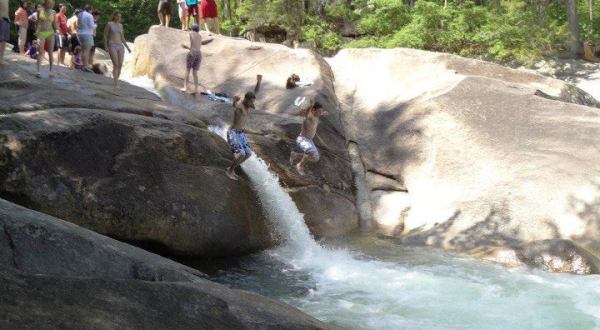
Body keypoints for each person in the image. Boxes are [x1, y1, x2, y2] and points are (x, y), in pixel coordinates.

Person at [225, 75, 262, 180]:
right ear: (246, 99)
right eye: (251, 102)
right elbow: (234, 106)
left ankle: (232, 168)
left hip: (240, 133)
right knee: (241, 153)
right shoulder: (241, 106)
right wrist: (234, 101)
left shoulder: (247, 105)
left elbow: (256, 92)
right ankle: (229, 171)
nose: (252, 104)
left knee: (248, 153)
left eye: (253, 102)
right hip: (232, 132)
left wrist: (259, 81)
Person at [289, 100, 328, 176]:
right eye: (319, 111)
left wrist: (323, 113)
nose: (320, 113)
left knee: (316, 158)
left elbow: (320, 114)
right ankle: (300, 165)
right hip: (302, 139)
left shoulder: (317, 116)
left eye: (321, 111)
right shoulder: (310, 117)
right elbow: (307, 113)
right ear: (313, 110)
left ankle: (295, 155)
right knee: (310, 151)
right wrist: (311, 105)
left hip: (309, 140)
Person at [104, 11, 131, 91]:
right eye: (117, 16)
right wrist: (106, 46)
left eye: (120, 17)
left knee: (120, 65)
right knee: (115, 64)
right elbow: (105, 35)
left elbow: (122, 38)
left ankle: (116, 81)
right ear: (114, 16)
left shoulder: (121, 26)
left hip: (120, 46)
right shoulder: (109, 24)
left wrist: (127, 47)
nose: (119, 18)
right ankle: (115, 84)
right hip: (112, 45)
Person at [35, 0, 57, 77]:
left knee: (50, 52)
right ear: (46, 3)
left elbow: (55, 24)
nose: (51, 5)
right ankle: (38, 71)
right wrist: (37, 33)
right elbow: (37, 22)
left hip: (50, 33)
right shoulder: (39, 10)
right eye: (50, 3)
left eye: (52, 3)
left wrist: (57, 31)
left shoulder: (53, 12)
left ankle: (51, 71)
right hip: (41, 32)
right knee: (40, 51)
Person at [181, 23, 201, 95]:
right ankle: (196, 89)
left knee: (187, 70)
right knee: (195, 73)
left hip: (192, 53)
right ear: (198, 30)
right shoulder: (200, 36)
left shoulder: (191, 33)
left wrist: (185, 46)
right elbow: (197, 46)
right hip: (199, 54)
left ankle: (185, 87)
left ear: (192, 29)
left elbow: (191, 46)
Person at [77, 4, 94, 71]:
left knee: (83, 50)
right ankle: (85, 66)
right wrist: (95, 25)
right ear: (90, 9)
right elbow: (91, 26)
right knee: (87, 51)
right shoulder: (90, 15)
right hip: (87, 34)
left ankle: (83, 65)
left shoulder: (80, 14)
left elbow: (78, 24)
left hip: (80, 34)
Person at [0, 0, 8, 65]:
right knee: (1, 40)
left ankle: (1, 59)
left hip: (6, 20)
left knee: (4, 40)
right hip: (1, 19)